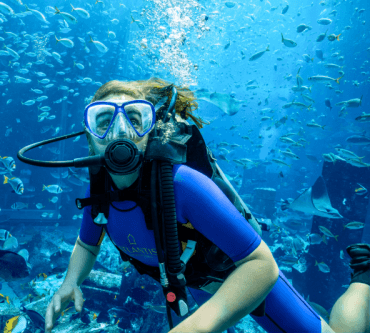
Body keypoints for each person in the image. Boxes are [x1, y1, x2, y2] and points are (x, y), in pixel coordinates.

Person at [43, 78, 370, 333]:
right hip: (192, 282)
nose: (120, 132)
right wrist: (70, 282)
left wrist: (198, 325)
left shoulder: (181, 184)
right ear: (89, 137)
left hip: (239, 277)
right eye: (103, 121)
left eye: (134, 118)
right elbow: (87, 243)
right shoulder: (99, 187)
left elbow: (262, 265)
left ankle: (364, 277)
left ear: (151, 129)